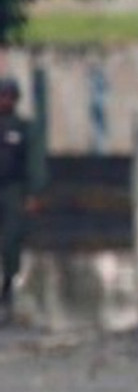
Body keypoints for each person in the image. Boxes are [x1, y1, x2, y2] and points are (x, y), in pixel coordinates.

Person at [0, 77, 47, 325]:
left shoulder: (24, 127)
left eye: (9, 96)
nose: (5, 101)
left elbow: (35, 161)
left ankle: (8, 285)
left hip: (13, 189)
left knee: (11, 239)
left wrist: (34, 193)